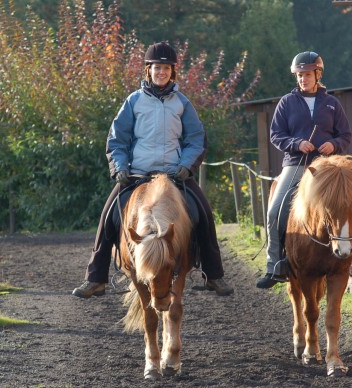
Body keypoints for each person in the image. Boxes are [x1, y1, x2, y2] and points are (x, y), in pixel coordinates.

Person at [72, 41, 233, 298]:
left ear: (172, 72)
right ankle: (96, 278)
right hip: (137, 176)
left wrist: (186, 166)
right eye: (157, 68)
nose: (161, 73)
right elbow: (117, 140)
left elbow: (196, 139)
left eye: (166, 69)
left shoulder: (182, 103)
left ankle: (214, 275)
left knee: (204, 213)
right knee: (107, 218)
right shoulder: (133, 101)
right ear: (148, 70)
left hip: (174, 175)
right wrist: (120, 168)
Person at [256, 51, 352, 289]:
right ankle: (275, 265)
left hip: (329, 166)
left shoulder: (331, 103)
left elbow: (345, 135)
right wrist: (296, 144)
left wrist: (334, 144)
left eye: (307, 74)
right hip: (297, 164)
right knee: (275, 210)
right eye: (299, 75)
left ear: (317, 74)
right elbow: (275, 135)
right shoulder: (286, 103)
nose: (302, 79)